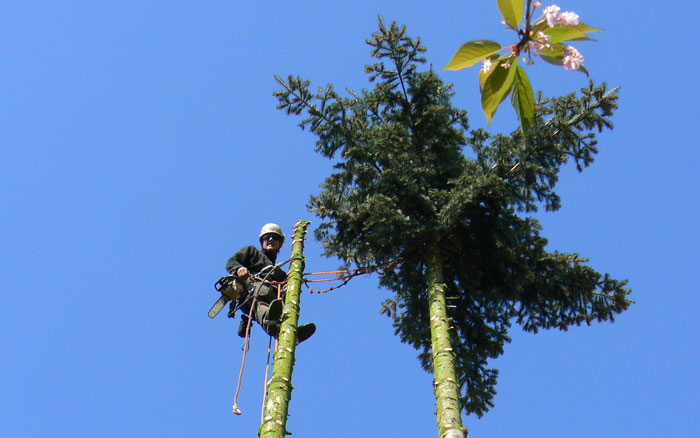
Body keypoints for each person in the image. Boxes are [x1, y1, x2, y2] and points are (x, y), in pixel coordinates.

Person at [226, 223, 315, 343]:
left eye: (275, 238)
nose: (271, 240)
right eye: (266, 238)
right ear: (261, 241)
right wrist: (239, 269)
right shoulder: (251, 252)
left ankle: (289, 330)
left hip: (273, 300)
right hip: (252, 293)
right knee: (261, 297)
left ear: (281, 244)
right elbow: (231, 262)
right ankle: (269, 321)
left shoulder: (279, 273)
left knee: (283, 300)